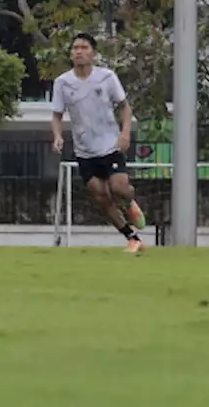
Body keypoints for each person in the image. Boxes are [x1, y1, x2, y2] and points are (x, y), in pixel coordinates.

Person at [51, 32, 146, 254]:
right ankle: (132, 238)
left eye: (84, 47)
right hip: (85, 151)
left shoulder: (106, 77)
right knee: (100, 196)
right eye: (75, 48)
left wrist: (125, 134)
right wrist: (57, 136)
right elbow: (57, 115)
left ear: (93, 53)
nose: (79, 52)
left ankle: (130, 204)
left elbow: (124, 107)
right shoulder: (62, 83)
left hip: (110, 145)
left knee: (118, 188)